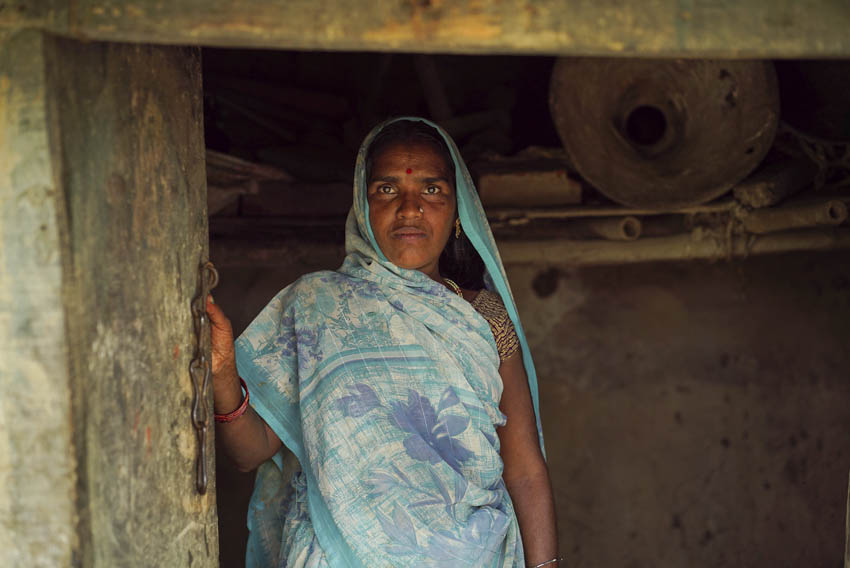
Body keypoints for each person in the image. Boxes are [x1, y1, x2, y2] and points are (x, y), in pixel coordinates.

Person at [207, 117, 558, 567]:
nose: (410, 208)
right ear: (363, 205)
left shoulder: (484, 320)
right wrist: (221, 375)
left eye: (431, 190)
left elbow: (525, 471)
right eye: (387, 190)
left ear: (456, 214)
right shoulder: (317, 307)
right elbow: (249, 452)